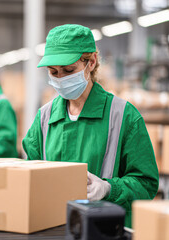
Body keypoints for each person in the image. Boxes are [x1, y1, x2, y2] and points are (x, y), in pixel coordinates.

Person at [22, 24, 158, 227]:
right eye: (53, 72)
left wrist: (108, 189)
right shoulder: (44, 117)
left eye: (69, 70)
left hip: (104, 230)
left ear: (91, 62)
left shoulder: (123, 116)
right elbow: (29, 176)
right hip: (53, 228)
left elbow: (146, 184)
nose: (60, 79)